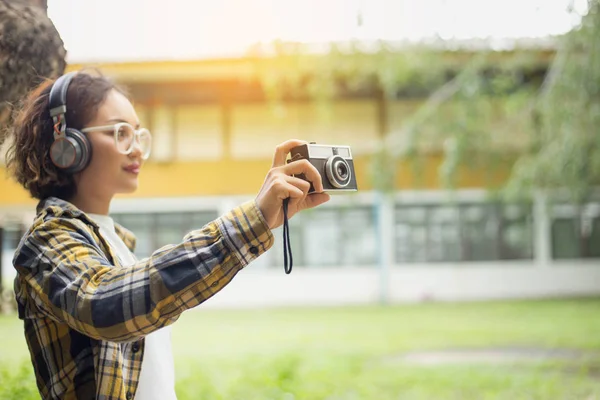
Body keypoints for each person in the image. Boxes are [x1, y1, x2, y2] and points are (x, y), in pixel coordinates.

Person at [5, 70, 330, 400]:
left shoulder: (116, 245)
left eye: (138, 134)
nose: (136, 150)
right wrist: (251, 221)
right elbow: (106, 305)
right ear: (67, 145)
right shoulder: (46, 241)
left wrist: (264, 220)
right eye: (120, 132)